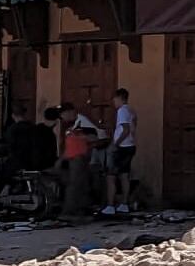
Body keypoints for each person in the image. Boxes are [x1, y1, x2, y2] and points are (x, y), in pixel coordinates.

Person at [0, 105, 59, 212]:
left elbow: (9, 147)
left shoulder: (13, 129)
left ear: (13, 116)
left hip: (17, 161)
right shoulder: (33, 127)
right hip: (32, 161)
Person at [57, 102, 99, 220]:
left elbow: (94, 137)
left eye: (63, 115)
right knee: (76, 185)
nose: (62, 118)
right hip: (71, 159)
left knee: (74, 186)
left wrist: (79, 136)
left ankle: (70, 212)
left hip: (79, 159)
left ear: (70, 112)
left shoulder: (82, 122)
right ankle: (79, 211)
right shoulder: (71, 125)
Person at [103, 88, 137, 216]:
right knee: (124, 175)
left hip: (121, 147)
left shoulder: (122, 111)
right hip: (130, 145)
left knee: (111, 177)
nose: (113, 102)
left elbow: (125, 129)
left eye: (115, 99)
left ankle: (110, 205)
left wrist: (115, 144)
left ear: (119, 98)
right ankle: (124, 203)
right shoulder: (131, 110)